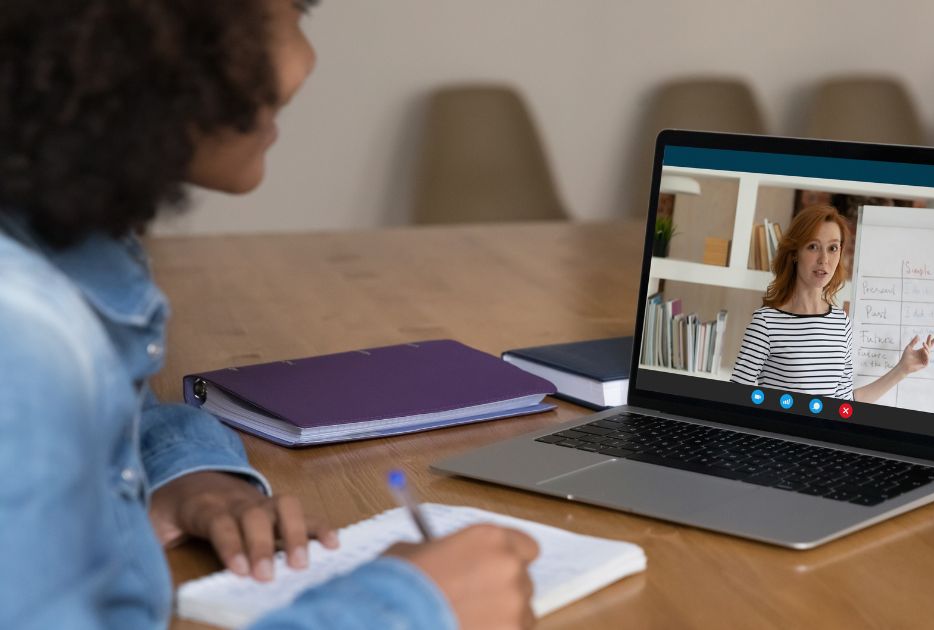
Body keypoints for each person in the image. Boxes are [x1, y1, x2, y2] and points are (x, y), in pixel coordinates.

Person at [0, 1, 538, 628]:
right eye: (285, 12)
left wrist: (185, 471)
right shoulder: (23, 335)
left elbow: (104, 413)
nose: (305, 62)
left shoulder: (53, 252)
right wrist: (411, 608)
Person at [730, 205, 934, 403]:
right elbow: (736, 397)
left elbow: (844, 403)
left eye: (832, 248)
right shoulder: (766, 322)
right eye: (813, 247)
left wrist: (902, 370)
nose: (824, 259)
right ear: (794, 253)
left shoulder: (841, 323)